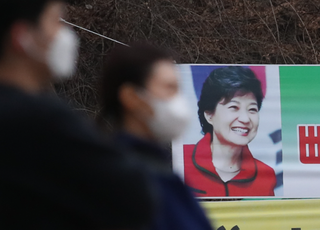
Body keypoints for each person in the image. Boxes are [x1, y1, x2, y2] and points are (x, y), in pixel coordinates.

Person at [0, 1, 155, 229]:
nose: (66, 33)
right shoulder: (40, 120)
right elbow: (135, 197)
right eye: (56, 21)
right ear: (22, 37)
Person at [100, 43, 214, 230]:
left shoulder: (162, 173)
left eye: (178, 89)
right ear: (131, 97)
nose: (178, 100)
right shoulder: (124, 181)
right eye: (169, 88)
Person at [184, 66, 276, 197]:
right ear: (210, 115)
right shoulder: (182, 160)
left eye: (252, 109)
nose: (245, 119)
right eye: (234, 107)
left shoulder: (266, 174)